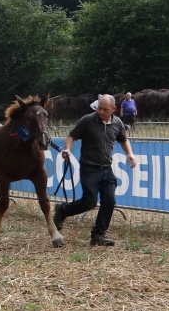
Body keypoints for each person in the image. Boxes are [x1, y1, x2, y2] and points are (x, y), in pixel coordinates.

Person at [53, 94, 137, 246]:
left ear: (114, 109)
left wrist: (130, 154)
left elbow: (123, 140)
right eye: (99, 108)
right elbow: (71, 136)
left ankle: (98, 235)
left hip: (106, 169)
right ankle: (63, 210)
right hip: (89, 168)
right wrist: (67, 149)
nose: (101, 111)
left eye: (105, 109)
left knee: (109, 200)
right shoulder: (87, 120)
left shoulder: (117, 122)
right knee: (89, 202)